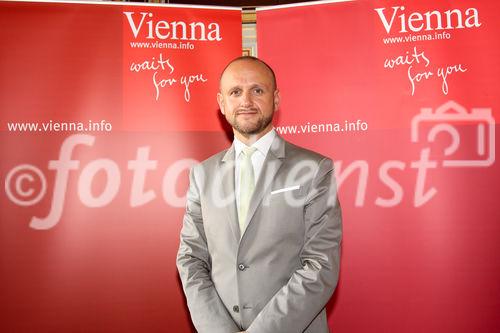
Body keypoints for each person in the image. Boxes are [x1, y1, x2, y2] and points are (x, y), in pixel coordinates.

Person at [176, 56, 342, 333]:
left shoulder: (314, 169)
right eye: (235, 92)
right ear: (222, 103)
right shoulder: (202, 174)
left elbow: (320, 264)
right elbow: (191, 258)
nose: (246, 101)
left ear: (275, 99)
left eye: (257, 90)